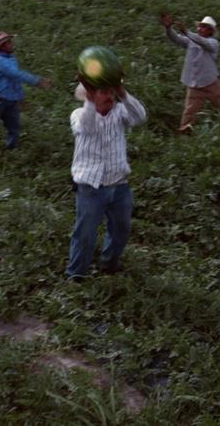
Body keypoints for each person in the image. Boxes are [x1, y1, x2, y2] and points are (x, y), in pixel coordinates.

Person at [66, 72, 148, 281]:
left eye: (111, 92)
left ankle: (108, 264)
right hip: (91, 187)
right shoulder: (79, 115)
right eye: (104, 92)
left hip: (119, 184)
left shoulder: (120, 112)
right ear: (91, 95)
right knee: (84, 234)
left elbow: (140, 117)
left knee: (121, 230)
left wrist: (122, 92)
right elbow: (87, 126)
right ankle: (76, 275)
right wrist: (91, 100)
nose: (109, 96)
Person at [161, 14, 220, 133]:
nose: (199, 29)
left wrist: (186, 31)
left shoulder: (213, 43)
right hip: (194, 82)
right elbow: (176, 39)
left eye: (203, 27)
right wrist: (168, 28)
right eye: (199, 26)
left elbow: (202, 42)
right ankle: (184, 131)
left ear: (210, 31)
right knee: (190, 110)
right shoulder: (190, 40)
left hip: (210, 81)